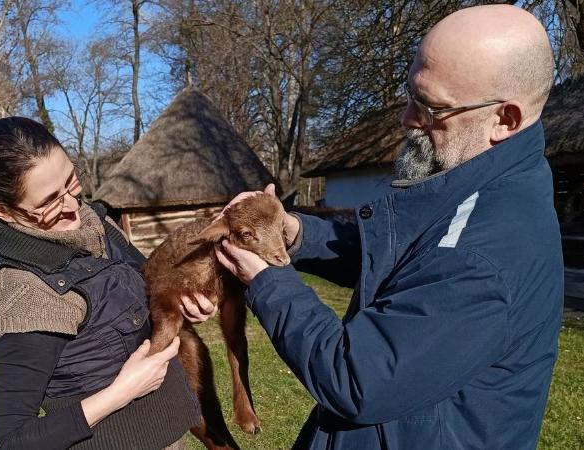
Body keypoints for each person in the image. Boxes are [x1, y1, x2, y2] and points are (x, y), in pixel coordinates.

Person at [207, 5, 563, 449]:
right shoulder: (479, 183)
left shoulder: (483, 254)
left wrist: (267, 279)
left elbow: (358, 380)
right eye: (411, 95)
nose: (408, 119)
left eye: (431, 107)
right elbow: (404, 257)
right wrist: (294, 232)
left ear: (503, 120)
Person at [0, 117, 209, 449]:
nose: (72, 206)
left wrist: (179, 302)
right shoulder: (22, 292)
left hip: (168, 430)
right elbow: (12, 441)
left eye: (71, 181)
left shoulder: (96, 223)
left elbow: (145, 285)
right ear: (4, 211)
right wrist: (121, 393)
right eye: (49, 202)